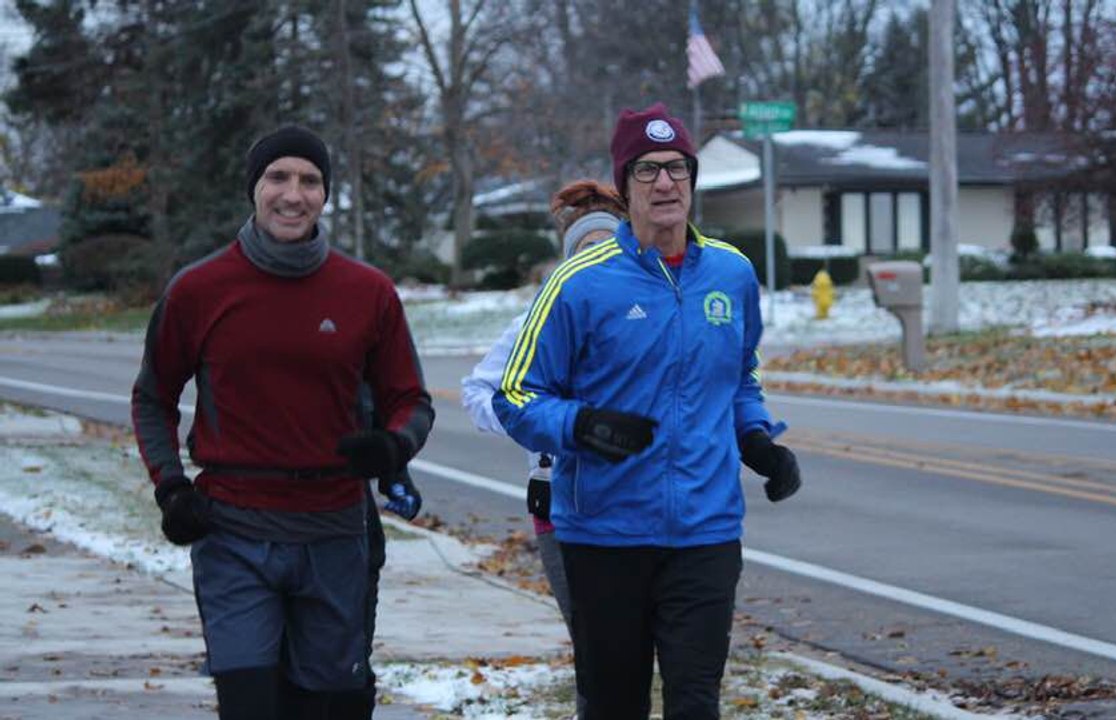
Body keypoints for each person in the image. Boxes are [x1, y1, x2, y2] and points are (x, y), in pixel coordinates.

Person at [493, 103, 802, 719]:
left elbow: (740, 375)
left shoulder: (732, 274)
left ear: (692, 179)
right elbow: (517, 394)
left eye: (678, 169)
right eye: (647, 170)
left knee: (695, 703)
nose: (665, 183)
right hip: (606, 536)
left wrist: (759, 440)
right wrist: (580, 425)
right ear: (625, 185)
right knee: (614, 705)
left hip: (706, 532)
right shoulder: (580, 282)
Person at [130, 125, 434, 720]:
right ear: (254, 188)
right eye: (278, 177)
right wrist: (170, 486)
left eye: (310, 181)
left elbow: (411, 400)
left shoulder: (367, 292)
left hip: (334, 533)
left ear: (325, 195)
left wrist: (392, 446)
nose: (293, 194)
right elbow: (152, 397)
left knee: (327, 708)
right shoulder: (198, 290)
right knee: (250, 704)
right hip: (234, 530)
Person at [461, 179, 627, 715]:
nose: (597, 258)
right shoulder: (533, 322)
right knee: (592, 640)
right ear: (567, 259)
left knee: (634, 643)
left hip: (635, 502)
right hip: (559, 506)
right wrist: (534, 430)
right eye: (586, 248)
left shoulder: (641, 322)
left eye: (609, 245)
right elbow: (479, 391)